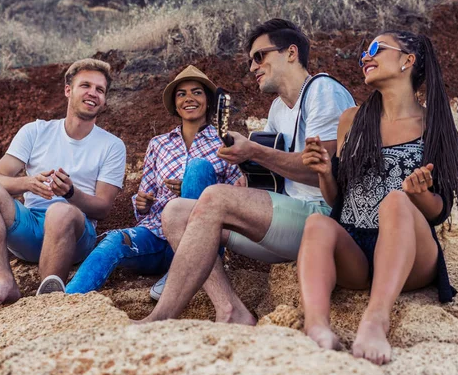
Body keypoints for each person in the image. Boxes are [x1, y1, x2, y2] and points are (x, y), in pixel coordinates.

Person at [138, 18, 355, 324]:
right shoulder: (278, 109)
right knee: (175, 213)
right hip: (288, 219)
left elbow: (325, 171)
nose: (253, 67)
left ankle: (160, 318)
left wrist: (254, 151)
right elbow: (271, 171)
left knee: (214, 197)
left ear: (291, 53)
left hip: (322, 219)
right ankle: (230, 310)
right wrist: (245, 173)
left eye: (259, 56)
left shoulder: (323, 90)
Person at [297, 31, 458, 365]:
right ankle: (316, 326)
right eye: (364, 51)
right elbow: (338, 200)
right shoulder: (352, 120)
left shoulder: (435, 123)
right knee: (317, 223)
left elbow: (439, 211)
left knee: (395, 201)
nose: (366, 56)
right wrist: (324, 173)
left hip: (412, 256)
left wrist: (418, 196)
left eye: (377, 48)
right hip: (357, 255)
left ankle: (376, 319)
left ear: (408, 61)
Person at [65, 65, 242, 295]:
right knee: (115, 241)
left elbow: (237, 199)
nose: (189, 98)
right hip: (157, 236)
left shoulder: (225, 143)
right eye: (182, 94)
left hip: (202, 242)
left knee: (198, 169)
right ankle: (65, 300)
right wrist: (142, 203)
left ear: (207, 101)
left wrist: (194, 189)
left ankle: (181, 272)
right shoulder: (159, 144)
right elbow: (145, 200)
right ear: (175, 104)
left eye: (197, 92)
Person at [0, 59, 126, 305]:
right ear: (68, 90)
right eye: (85, 85)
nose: (93, 93)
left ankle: (47, 299)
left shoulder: (112, 145)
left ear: (104, 99)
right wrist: (28, 183)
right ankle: (6, 282)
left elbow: (103, 208)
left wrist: (71, 193)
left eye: (100, 89)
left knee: (60, 211)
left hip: (75, 234)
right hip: (29, 227)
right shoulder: (35, 131)